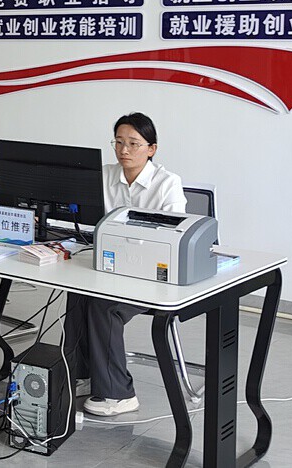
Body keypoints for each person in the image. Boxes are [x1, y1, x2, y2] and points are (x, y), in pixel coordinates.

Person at [63, 112, 186, 418]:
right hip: (113, 268)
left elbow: (174, 238)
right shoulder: (103, 176)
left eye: (133, 143)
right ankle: (84, 373)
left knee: (104, 305)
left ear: (151, 148)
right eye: (118, 142)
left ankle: (118, 393)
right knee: (78, 292)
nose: (124, 150)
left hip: (153, 278)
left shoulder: (167, 183)